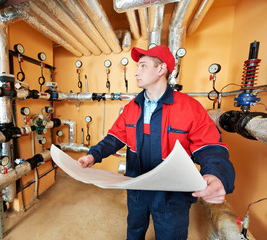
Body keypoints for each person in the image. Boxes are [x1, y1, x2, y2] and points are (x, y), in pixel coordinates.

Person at [78, 45, 235, 240]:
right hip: (137, 188)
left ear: (161, 70)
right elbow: (115, 138)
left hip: (172, 194)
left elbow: (210, 147)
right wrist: (93, 154)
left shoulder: (189, 107)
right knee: (134, 232)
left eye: (143, 66)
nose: (136, 72)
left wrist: (216, 174)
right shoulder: (132, 107)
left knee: (170, 236)